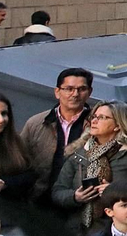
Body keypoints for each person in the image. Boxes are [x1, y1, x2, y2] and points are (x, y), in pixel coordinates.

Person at [51, 101, 127, 233]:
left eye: (102, 118)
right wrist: (75, 197)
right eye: (94, 117)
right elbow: (58, 191)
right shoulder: (78, 153)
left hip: (118, 230)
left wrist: (115, 192)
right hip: (77, 228)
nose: (94, 121)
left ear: (118, 125)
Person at [20, 66, 96, 198]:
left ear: (89, 92)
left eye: (81, 89)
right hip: (41, 198)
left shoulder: (98, 123)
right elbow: (20, 161)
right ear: (57, 92)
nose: (75, 94)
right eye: (69, 89)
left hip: (82, 198)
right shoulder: (36, 123)